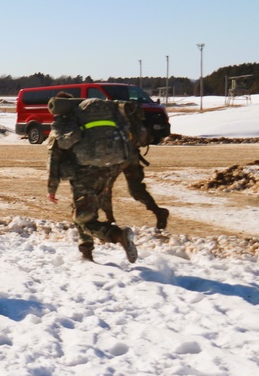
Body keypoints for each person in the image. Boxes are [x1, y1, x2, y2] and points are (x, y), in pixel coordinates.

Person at [45, 93, 138, 263]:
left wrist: (51, 189)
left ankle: (118, 235)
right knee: (83, 211)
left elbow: (54, 159)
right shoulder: (87, 122)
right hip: (108, 170)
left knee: (83, 219)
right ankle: (86, 254)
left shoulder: (64, 127)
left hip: (84, 175)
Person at [99, 101, 169, 230]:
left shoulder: (112, 119)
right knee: (136, 188)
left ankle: (110, 220)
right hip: (133, 157)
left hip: (119, 157)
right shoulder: (131, 121)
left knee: (105, 187)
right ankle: (158, 211)